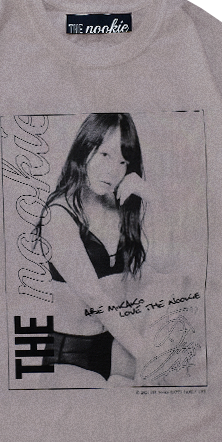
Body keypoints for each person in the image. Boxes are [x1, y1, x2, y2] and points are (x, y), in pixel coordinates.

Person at [34, 113, 153, 386]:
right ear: (85, 149)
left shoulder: (120, 205)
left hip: (112, 348)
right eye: (105, 155)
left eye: (123, 161)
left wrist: (151, 196)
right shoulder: (58, 215)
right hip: (67, 355)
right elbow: (94, 297)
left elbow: (172, 260)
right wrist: (147, 354)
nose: (113, 171)